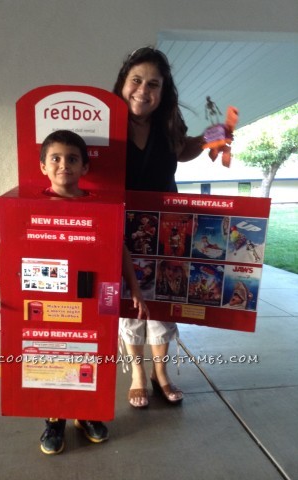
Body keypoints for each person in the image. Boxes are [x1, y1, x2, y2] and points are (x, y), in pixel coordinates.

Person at [0, 130, 149, 454]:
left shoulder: (103, 207)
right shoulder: (26, 206)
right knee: (50, 355)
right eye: (55, 158)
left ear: (85, 167)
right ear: (43, 166)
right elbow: (5, 250)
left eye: (72, 159)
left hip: (94, 298)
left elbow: (120, 249)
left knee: (91, 354)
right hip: (46, 300)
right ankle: (54, 419)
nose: (63, 165)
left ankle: (86, 414)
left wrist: (135, 288)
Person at [113, 46, 206, 408]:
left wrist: (212, 137)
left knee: (163, 302)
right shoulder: (104, 122)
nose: (143, 90)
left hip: (168, 228)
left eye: (154, 84)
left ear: (163, 91)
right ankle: (138, 374)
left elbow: (184, 149)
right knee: (130, 305)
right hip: (121, 230)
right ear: (123, 83)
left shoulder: (168, 122)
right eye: (136, 80)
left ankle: (160, 373)